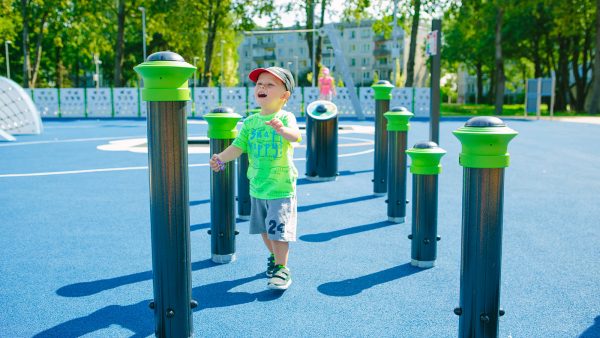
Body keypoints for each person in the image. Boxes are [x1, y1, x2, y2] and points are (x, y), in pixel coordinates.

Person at [209, 66, 301, 291]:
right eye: (259, 84)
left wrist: (282, 130)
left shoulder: (285, 117)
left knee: (278, 230)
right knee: (264, 229)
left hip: (281, 186)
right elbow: (238, 147)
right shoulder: (250, 122)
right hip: (258, 186)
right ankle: (273, 257)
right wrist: (220, 158)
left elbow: (296, 136)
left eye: (270, 84)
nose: (262, 87)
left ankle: (282, 269)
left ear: (284, 95)